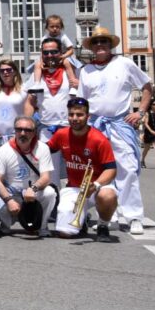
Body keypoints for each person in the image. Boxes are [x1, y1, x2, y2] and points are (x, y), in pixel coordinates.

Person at [76, 26, 152, 235]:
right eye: (96, 43)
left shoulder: (124, 64)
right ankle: (103, 212)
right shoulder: (86, 71)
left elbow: (146, 85)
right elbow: (81, 101)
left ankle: (134, 215)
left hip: (119, 124)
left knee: (126, 168)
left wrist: (141, 111)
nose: (100, 46)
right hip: (94, 126)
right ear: (91, 48)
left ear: (110, 45)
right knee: (95, 171)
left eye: (104, 42)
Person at [48, 97, 119, 241]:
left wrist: (97, 184)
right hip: (74, 189)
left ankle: (103, 225)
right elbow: (45, 150)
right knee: (65, 233)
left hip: (96, 189)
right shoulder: (61, 134)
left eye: (79, 115)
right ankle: (83, 219)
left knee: (108, 196)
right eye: (71, 114)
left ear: (88, 116)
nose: (74, 118)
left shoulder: (99, 139)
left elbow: (111, 169)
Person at [0, 116, 56, 236]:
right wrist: (9, 200)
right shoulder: (4, 150)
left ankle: (42, 226)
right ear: (14, 131)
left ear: (34, 132)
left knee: (50, 193)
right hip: (12, 193)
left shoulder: (42, 148)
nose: (22, 133)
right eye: (19, 129)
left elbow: (46, 177)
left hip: (33, 193)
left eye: (27, 130)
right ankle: (5, 225)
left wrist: (33, 189)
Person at [24, 37, 76, 147]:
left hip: (70, 129)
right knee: (48, 163)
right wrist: (26, 125)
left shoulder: (71, 72)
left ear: (61, 52)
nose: (50, 55)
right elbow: (29, 102)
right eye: (46, 52)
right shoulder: (36, 75)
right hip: (46, 131)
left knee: (72, 164)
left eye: (54, 52)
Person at [0, 58, 26, 150]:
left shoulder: (24, 89)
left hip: (15, 136)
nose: (5, 72)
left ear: (15, 72)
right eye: (2, 71)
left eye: (9, 70)